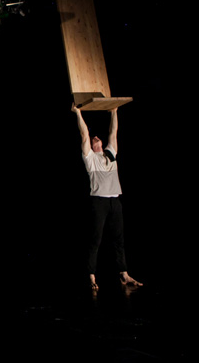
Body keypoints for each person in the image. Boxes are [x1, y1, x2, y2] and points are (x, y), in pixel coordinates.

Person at [72, 103, 143, 291]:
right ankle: (91, 276)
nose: (95, 137)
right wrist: (78, 113)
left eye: (97, 137)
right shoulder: (90, 158)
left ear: (101, 143)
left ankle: (124, 274)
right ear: (92, 145)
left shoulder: (110, 153)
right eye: (93, 139)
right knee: (96, 239)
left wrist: (114, 112)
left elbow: (113, 132)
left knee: (119, 239)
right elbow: (84, 134)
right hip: (99, 202)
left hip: (115, 201)